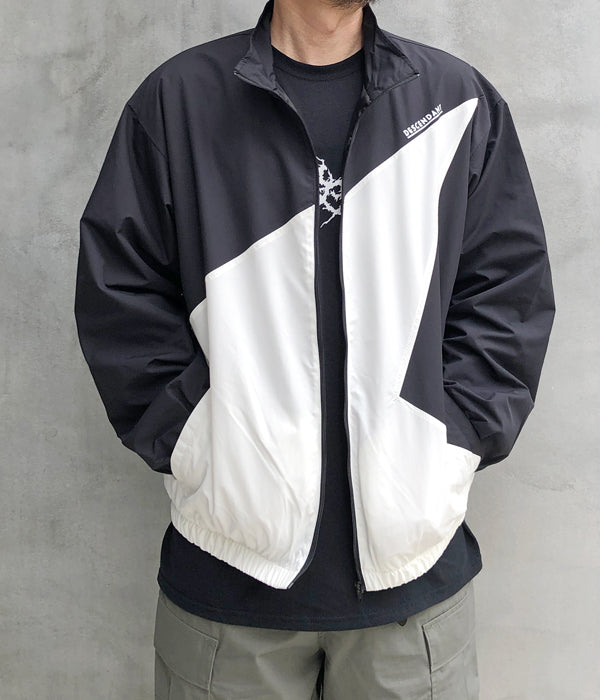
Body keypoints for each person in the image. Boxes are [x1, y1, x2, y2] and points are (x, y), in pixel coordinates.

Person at [74, 0, 555, 696]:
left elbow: (508, 294)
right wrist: (197, 441)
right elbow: (119, 297)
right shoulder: (178, 103)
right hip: (227, 585)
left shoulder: (457, 102)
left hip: (413, 587)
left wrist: (449, 443)